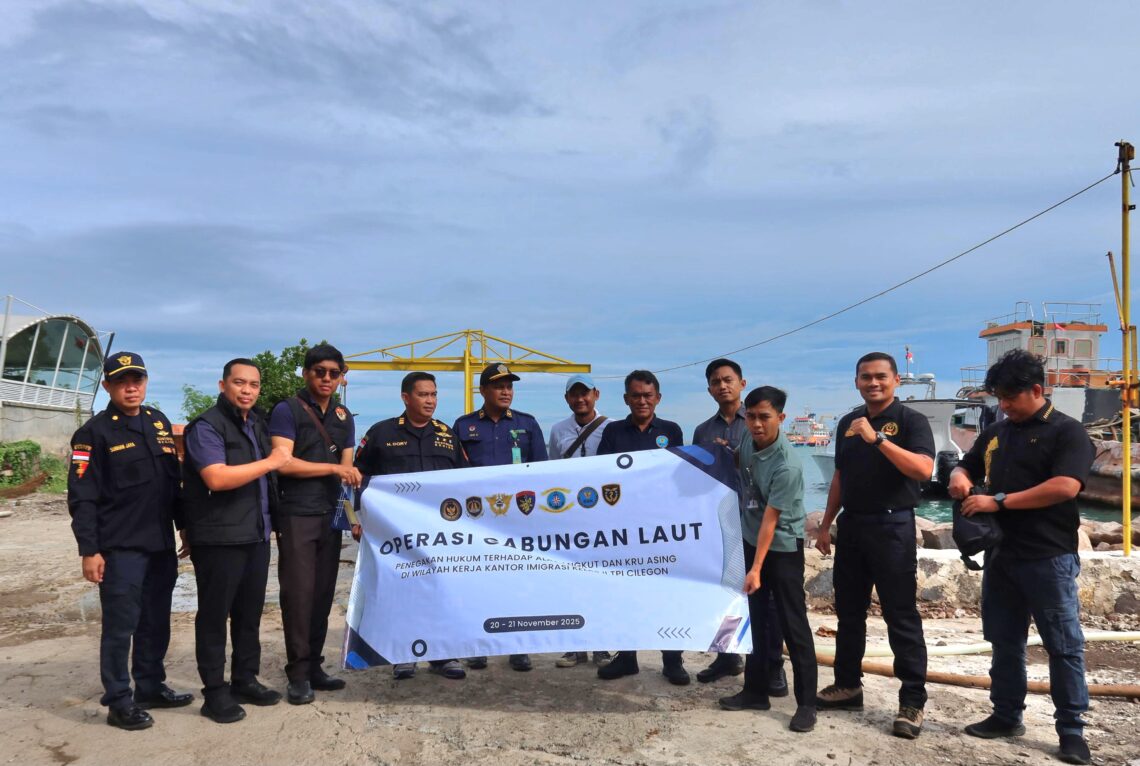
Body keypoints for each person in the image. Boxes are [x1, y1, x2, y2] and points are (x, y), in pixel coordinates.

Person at [949, 349, 1095, 766]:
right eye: (999, 397)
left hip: (1048, 556)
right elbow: (969, 465)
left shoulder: (1067, 433)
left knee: (1063, 646)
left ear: (1037, 390)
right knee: (1004, 641)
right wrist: (961, 479)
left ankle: (1071, 731)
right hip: (1003, 555)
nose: (1004, 405)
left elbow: (1066, 486)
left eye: (1011, 397)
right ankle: (1006, 714)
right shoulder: (998, 430)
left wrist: (999, 501)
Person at [67, 352, 192, 730]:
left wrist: (184, 527)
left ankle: (151, 687)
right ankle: (119, 701)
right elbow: (81, 496)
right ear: (107, 386)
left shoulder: (157, 422)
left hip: (159, 545)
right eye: (122, 381)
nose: (131, 386)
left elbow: (173, 483)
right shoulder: (93, 433)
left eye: (137, 379)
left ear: (146, 381)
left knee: (156, 621)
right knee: (121, 627)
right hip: (120, 549)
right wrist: (89, 550)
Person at [814, 352, 934, 739]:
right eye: (865, 377)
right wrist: (826, 524)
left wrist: (878, 439)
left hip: (893, 524)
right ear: (856, 382)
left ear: (896, 380)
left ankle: (912, 701)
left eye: (881, 376)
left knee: (901, 616)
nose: (873, 383)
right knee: (849, 613)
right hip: (853, 526)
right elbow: (839, 476)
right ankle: (848, 686)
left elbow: (923, 470)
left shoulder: (911, 420)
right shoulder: (849, 422)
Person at [182, 358, 292, 724]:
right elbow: (216, 478)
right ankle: (214, 693)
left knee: (249, 615)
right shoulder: (206, 427)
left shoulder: (256, 425)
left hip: (255, 535)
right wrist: (273, 460)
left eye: (254, 385)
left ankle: (245, 679)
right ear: (222, 385)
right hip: (219, 539)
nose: (247, 391)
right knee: (214, 617)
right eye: (239, 383)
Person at [355, 372, 470, 681]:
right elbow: (358, 479)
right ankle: (403, 654)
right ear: (406, 397)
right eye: (423, 395)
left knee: (442, 592)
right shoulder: (381, 434)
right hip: (397, 535)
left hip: (441, 534)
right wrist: (358, 520)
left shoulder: (447, 434)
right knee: (402, 591)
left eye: (433, 394)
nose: (430, 400)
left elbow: (464, 481)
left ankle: (444, 655)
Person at [717, 386, 817, 733]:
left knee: (793, 624)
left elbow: (772, 522)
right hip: (751, 538)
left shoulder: (787, 465)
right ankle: (754, 691)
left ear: (781, 418)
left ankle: (807, 704)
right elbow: (741, 469)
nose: (757, 424)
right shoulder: (747, 440)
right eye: (751, 416)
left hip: (782, 548)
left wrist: (756, 569)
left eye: (765, 417)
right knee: (754, 620)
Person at [268, 344, 361, 705]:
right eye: (319, 371)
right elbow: (283, 462)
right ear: (306, 373)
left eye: (333, 373)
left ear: (341, 377)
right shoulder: (286, 410)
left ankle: (315, 667)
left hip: (330, 516)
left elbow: (349, 475)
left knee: (322, 594)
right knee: (298, 594)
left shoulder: (343, 415)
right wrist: (336, 468)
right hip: (297, 514)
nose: (326, 378)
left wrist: (352, 518)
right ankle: (297, 674)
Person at [691, 358, 787, 697]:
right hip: (721, 522)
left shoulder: (758, 419)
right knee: (724, 593)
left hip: (760, 522)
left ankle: (774, 666)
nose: (722, 386)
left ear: (742, 383)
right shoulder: (703, 431)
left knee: (769, 601)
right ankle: (726, 657)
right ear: (709, 389)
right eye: (715, 381)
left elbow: (778, 467)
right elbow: (698, 478)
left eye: (728, 379)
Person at [595, 369, 690, 686]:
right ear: (626, 398)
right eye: (635, 395)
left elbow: (681, 477)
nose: (642, 401)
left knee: (668, 592)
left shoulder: (672, 431)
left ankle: (672, 659)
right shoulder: (613, 432)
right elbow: (601, 476)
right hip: (624, 527)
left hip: (662, 527)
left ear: (658, 398)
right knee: (625, 592)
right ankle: (627, 657)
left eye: (648, 395)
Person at [454, 363, 547, 672]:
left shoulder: (528, 424)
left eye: (509, 385)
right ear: (483, 391)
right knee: (476, 581)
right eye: (498, 386)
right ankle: (477, 644)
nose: (506, 391)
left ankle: (517, 645)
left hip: (518, 521)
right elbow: (453, 475)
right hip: (477, 521)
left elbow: (541, 473)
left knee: (517, 582)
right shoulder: (464, 425)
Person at [546, 373, 612, 669]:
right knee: (569, 581)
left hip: (603, 518)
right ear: (567, 398)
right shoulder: (558, 430)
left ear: (596, 394)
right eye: (574, 394)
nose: (580, 399)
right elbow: (549, 473)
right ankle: (574, 646)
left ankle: (600, 645)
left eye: (585, 393)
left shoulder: (612, 428)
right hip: (569, 519)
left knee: (601, 581)